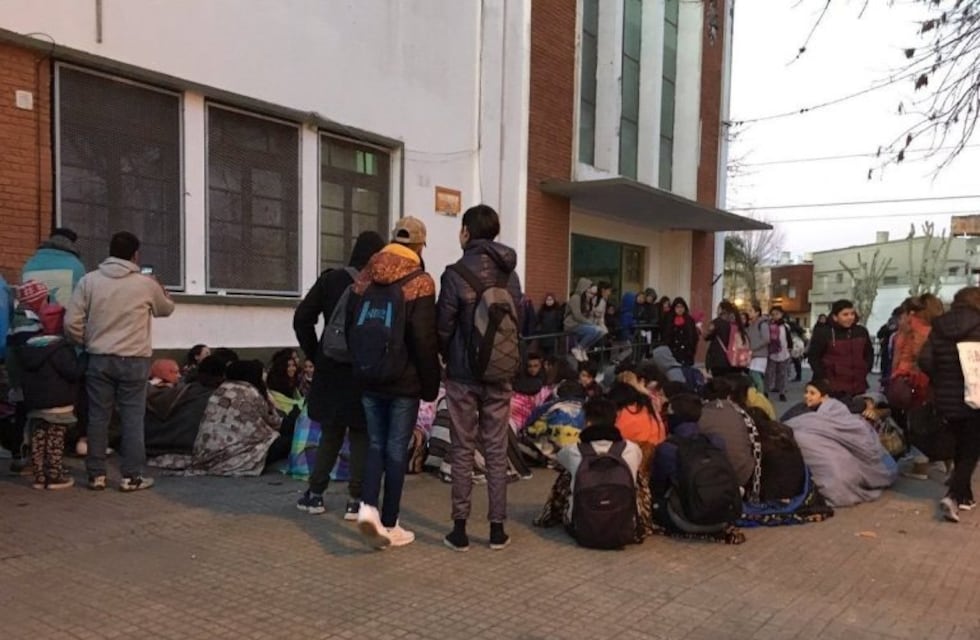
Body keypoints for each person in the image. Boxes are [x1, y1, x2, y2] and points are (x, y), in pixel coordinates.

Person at [437, 205, 523, 552]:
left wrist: (447, 353)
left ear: (467, 233)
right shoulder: (510, 276)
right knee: (496, 448)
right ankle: (497, 529)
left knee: (462, 448)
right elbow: (520, 324)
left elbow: (443, 326)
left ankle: (459, 529)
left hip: (461, 374)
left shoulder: (454, 273)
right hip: (501, 373)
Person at [351, 217, 440, 550]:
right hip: (404, 381)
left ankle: (367, 508)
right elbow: (423, 338)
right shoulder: (420, 282)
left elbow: (349, 326)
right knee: (395, 448)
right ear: (419, 245)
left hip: (369, 375)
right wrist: (430, 384)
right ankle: (390, 522)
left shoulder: (365, 276)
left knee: (375, 444)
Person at [65, 231, 175, 492]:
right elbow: (165, 309)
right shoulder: (145, 284)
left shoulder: (89, 281)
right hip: (134, 360)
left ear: (110, 251)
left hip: (99, 358)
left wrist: (85, 341)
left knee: (97, 417)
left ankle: (96, 475)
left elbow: (71, 322)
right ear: (135, 255)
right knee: (132, 419)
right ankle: (131, 476)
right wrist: (162, 291)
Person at [293, 231, 385, 519]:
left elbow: (302, 319)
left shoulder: (331, 280)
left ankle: (315, 495)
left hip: (331, 369)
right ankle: (356, 500)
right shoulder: (381, 285)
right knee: (361, 434)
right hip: (365, 370)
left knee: (330, 433)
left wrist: (316, 353)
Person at [918, 286, 980, 522]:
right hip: (976, 394)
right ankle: (953, 495)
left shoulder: (940, 325)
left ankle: (965, 495)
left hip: (946, 395)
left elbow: (924, 359)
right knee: (972, 448)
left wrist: (941, 377)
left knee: (959, 444)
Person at [19, 304, 83, 489]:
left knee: (38, 438)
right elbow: (72, 372)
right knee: (55, 438)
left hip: (36, 403)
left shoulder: (30, 346)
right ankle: (54, 475)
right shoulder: (60, 348)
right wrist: (84, 359)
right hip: (58, 402)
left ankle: (39, 476)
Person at [807, 299, 873, 400]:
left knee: (855, 412)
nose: (850, 317)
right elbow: (814, 357)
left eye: (852, 314)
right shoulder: (824, 332)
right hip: (833, 386)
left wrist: (865, 368)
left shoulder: (861, 331)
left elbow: (869, 352)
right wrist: (823, 378)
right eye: (845, 314)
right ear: (835, 317)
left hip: (857, 384)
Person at [21, 227, 86, 307]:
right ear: (72, 243)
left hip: (30, 317)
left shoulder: (31, 263)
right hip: (61, 317)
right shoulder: (76, 267)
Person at [704, 300, 749, 377]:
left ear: (722, 310)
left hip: (719, 361)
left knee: (720, 385)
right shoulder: (738, 324)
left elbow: (706, 336)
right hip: (736, 361)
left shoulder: (717, 322)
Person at [563, 278, 605, 362]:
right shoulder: (575, 298)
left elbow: (587, 314)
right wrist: (590, 323)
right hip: (571, 324)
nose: (591, 294)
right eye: (589, 290)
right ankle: (578, 348)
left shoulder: (585, 300)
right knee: (593, 330)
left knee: (601, 331)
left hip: (580, 324)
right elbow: (577, 315)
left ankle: (583, 348)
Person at [765, 306, 793, 402]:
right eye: (773, 314)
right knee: (769, 373)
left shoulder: (785, 326)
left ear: (781, 314)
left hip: (784, 353)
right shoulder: (769, 326)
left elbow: (789, 339)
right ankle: (766, 391)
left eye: (777, 314)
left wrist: (790, 348)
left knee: (782, 374)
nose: (775, 316)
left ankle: (782, 392)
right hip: (772, 353)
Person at [661, 297, 699, 367]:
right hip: (673, 353)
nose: (680, 309)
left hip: (687, 353)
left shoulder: (689, 320)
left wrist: (691, 350)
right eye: (677, 307)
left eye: (682, 307)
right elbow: (665, 335)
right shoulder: (669, 319)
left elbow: (694, 336)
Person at [744, 303, 770, 392]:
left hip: (760, 355)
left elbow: (766, 339)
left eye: (751, 311)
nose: (749, 313)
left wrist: (753, 347)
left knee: (756, 376)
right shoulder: (751, 325)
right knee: (752, 376)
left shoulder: (762, 324)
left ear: (757, 313)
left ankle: (760, 395)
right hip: (753, 355)